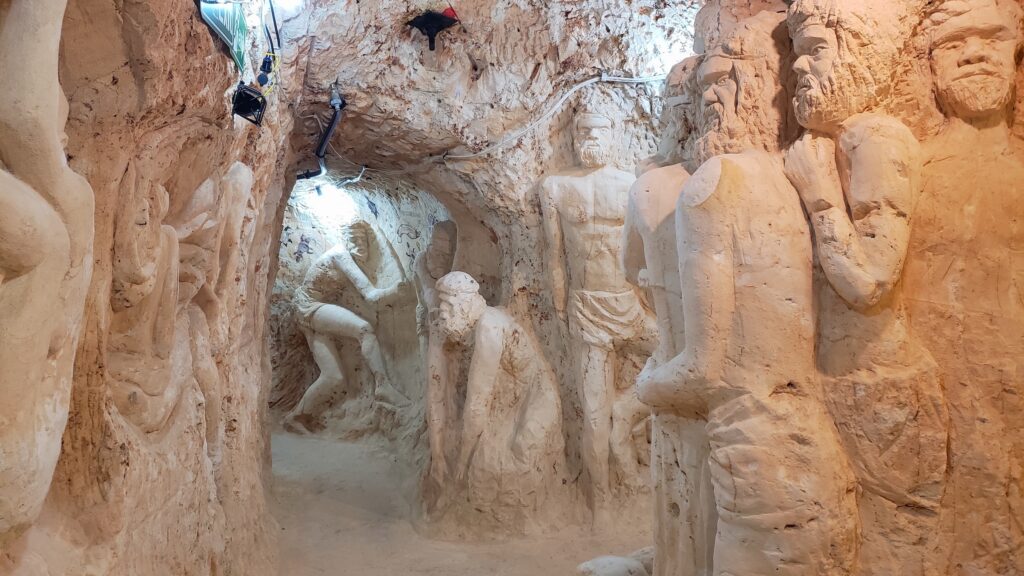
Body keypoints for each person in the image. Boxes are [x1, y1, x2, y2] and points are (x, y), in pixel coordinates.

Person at [638, 11, 859, 575]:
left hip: (754, 457)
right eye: (707, 84)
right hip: (814, 446)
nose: (714, 97)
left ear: (760, 87)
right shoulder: (793, 175)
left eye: (726, 82)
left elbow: (704, 370)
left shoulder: (712, 186)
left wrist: (646, 384)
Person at [784, 1, 948, 572]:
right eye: (796, 53)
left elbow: (871, 282)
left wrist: (820, 192)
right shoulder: (833, 142)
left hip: (884, 390)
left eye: (815, 50)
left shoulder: (875, 137)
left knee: (896, 552)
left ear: (857, 55)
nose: (800, 69)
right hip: (847, 381)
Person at [903, 1, 1024, 571]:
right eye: (953, 45)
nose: (975, 53)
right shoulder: (910, 174)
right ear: (928, 68)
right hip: (939, 405)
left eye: (992, 40)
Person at [540, 107, 656, 520]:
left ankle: (627, 414)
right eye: (581, 130)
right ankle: (600, 499)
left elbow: (647, 251)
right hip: (586, 306)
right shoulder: (554, 187)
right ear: (571, 137)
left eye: (596, 128)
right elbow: (554, 254)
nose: (588, 136)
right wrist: (559, 304)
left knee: (674, 352)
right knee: (592, 413)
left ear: (614, 132)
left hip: (626, 301)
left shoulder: (631, 185)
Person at [434, 272, 565, 532]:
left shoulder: (489, 328)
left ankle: (528, 520)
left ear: (465, 303)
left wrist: (463, 459)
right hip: (509, 399)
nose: (443, 315)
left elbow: (477, 401)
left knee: (520, 449)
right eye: (441, 307)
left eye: (448, 307)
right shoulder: (482, 322)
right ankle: (491, 519)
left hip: (536, 396)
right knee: (487, 459)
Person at [284, 220, 407, 433]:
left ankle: (295, 417)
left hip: (308, 314)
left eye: (364, 241)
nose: (360, 246)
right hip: (310, 307)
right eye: (354, 240)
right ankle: (383, 386)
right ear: (345, 241)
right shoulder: (340, 254)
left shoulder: (344, 256)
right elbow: (371, 295)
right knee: (364, 329)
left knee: (333, 378)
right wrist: (397, 292)